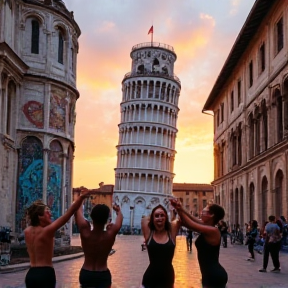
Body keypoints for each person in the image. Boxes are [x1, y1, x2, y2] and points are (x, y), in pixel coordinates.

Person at [24, 190, 91, 288]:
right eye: (47, 213)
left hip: (31, 274)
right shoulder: (46, 232)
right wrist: (81, 198)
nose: (50, 215)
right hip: (45, 274)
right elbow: (67, 215)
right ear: (40, 217)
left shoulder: (27, 231)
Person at [170, 199, 228, 288]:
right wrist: (179, 209)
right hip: (208, 275)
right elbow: (190, 221)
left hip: (214, 275)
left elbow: (191, 224)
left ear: (211, 215)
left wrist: (180, 209)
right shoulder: (207, 226)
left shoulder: (213, 230)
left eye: (204, 211)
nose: (201, 213)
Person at [74, 202, 123, 288]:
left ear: (92, 216)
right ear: (107, 219)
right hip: (103, 274)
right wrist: (118, 211)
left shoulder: (85, 233)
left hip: (87, 273)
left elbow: (77, 210)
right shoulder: (110, 235)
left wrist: (81, 199)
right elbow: (119, 220)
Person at [141, 204, 181, 288]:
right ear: (152, 218)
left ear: (166, 217)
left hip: (168, 279)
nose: (160, 218)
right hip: (150, 279)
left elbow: (180, 220)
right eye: (157, 216)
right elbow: (144, 219)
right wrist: (155, 214)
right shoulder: (149, 233)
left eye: (162, 215)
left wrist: (176, 208)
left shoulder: (171, 233)